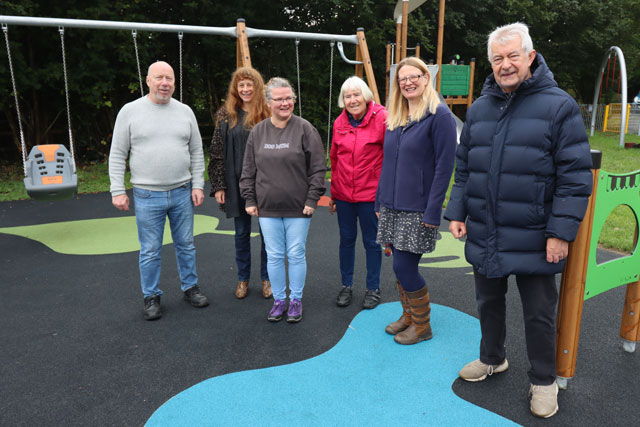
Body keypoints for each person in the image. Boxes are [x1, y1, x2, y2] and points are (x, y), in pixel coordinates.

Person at [444, 23, 593, 418]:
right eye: (497, 58)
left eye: (512, 56)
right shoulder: (478, 109)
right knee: (487, 301)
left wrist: (560, 233)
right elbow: (465, 169)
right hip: (487, 229)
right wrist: (457, 211)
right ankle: (493, 357)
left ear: (530, 56)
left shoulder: (559, 106)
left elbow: (576, 178)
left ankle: (544, 380)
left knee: (539, 313)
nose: (505, 65)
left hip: (535, 233)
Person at [109, 60, 209, 321]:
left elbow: (197, 151)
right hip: (146, 194)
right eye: (159, 78)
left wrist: (198, 184)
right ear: (148, 81)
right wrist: (117, 189)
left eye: (170, 78)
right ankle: (151, 296)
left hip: (182, 192)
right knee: (150, 249)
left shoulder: (185, 111)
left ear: (174, 83)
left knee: (186, 245)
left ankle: (190, 288)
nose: (165, 83)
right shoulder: (130, 112)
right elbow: (118, 153)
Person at [375, 57, 457, 345]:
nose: (408, 82)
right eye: (402, 79)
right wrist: (379, 201)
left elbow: (445, 168)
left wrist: (433, 211)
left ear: (426, 78)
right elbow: (387, 163)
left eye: (414, 77)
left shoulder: (439, 116)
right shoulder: (396, 117)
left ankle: (423, 326)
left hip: (418, 207)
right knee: (398, 264)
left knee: (404, 267)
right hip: (392, 205)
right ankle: (409, 316)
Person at [239, 77, 326, 323]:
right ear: (268, 103)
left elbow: (318, 169)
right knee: (275, 254)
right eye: (279, 99)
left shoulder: (305, 129)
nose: (285, 103)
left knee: (296, 253)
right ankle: (279, 300)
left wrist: (312, 199)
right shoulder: (258, 131)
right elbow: (248, 170)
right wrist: (249, 199)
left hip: (299, 207)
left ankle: (295, 300)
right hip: (267, 207)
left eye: (289, 98)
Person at [208, 67, 272, 300]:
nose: (245, 89)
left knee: (268, 234)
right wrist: (218, 185)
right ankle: (243, 279)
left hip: (265, 183)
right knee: (242, 232)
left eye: (249, 84)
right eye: (240, 85)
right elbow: (216, 151)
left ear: (257, 86)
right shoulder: (227, 115)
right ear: (235, 89)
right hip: (236, 183)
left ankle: (267, 279)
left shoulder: (267, 112)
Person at [329, 76, 387, 309]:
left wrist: (385, 198)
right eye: (347, 96)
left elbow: (391, 159)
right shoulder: (339, 123)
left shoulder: (381, 118)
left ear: (366, 96)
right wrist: (334, 193)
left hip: (370, 195)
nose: (352, 100)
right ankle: (346, 285)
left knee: (372, 242)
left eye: (356, 95)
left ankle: (373, 288)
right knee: (346, 240)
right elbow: (334, 160)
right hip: (344, 194)